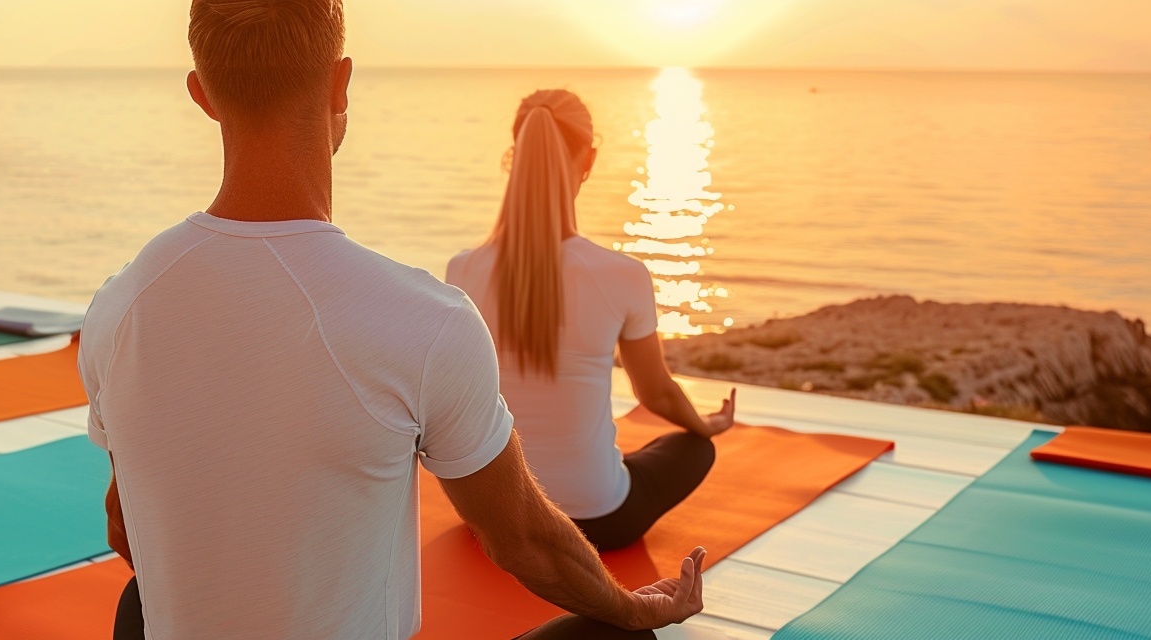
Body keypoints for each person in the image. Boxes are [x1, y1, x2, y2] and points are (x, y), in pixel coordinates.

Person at [79, 1, 709, 639]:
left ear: (201, 95)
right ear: (339, 83)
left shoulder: (118, 306)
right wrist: (637, 607)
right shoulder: (421, 319)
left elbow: (124, 524)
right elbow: (523, 542)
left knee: (140, 602)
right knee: (614, 633)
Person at [446, 89, 736, 552]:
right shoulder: (623, 275)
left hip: (493, 521)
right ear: (590, 158)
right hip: (596, 526)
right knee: (693, 448)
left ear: (515, 157)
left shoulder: (462, 269)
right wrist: (707, 425)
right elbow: (655, 392)